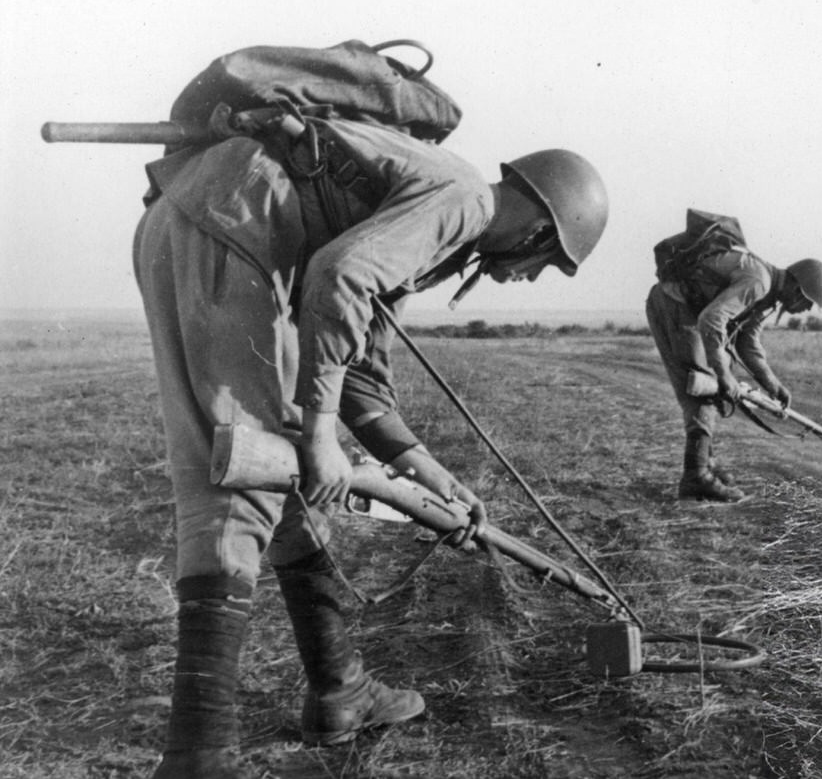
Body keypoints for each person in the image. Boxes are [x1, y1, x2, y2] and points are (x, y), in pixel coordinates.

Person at [134, 113, 608, 778]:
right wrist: (322, 433)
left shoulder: (440, 227)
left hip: (211, 220)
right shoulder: (466, 200)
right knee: (240, 483)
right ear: (535, 227)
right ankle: (199, 755)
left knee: (287, 472)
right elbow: (339, 277)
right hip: (229, 220)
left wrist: (431, 476)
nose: (530, 278)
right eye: (545, 262)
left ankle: (339, 688)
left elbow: (361, 379)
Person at [645, 209, 822, 503]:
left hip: (684, 309)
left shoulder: (767, 296)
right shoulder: (759, 281)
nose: (805, 311)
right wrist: (725, 375)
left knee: (712, 387)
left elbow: (748, 343)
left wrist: (772, 384)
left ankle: (705, 463)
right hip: (673, 306)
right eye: (807, 303)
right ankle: (696, 477)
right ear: (797, 288)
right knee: (704, 387)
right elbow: (711, 320)